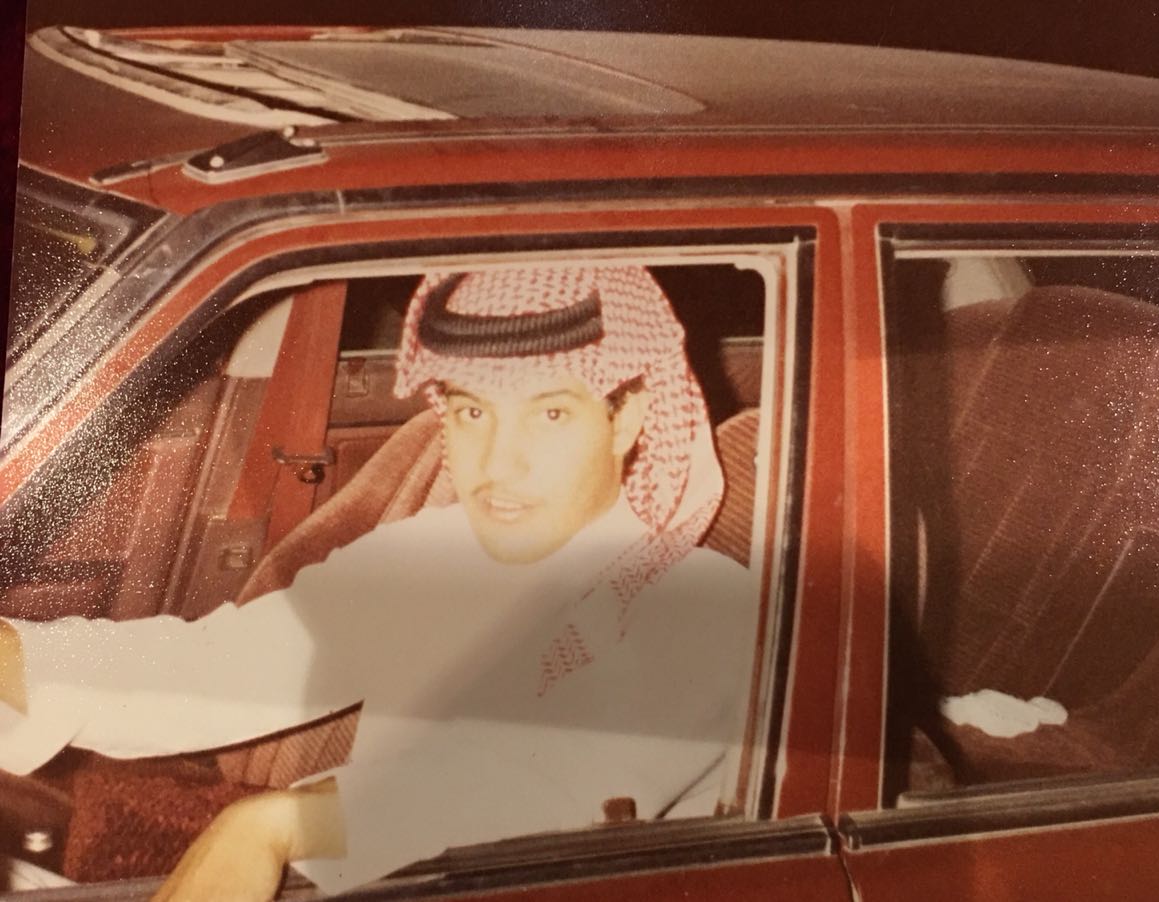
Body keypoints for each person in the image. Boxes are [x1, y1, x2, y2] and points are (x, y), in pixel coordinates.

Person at [0, 265, 758, 900]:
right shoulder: (441, 554)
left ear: (627, 419)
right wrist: (17, 661)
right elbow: (231, 667)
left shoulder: (701, 610)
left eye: (551, 415)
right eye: (472, 412)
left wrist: (271, 826)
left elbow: (520, 800)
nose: (500, 462)